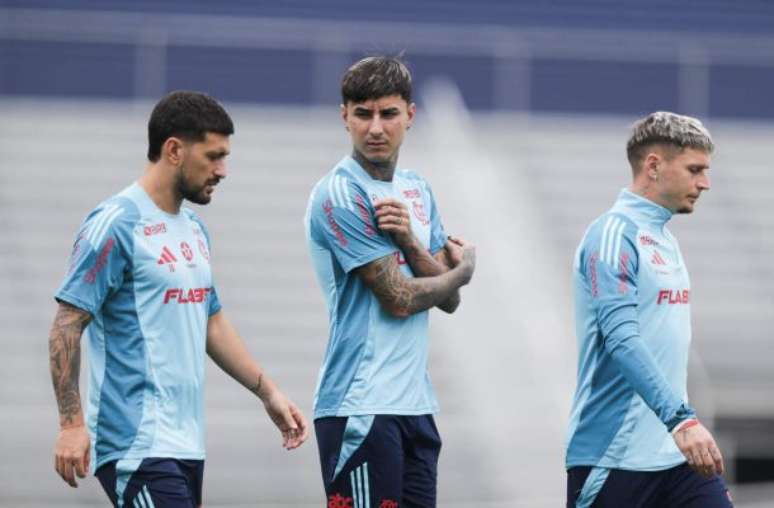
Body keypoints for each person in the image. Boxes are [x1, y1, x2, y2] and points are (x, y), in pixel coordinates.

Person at [48, 91, 308, 507]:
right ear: (173, 150)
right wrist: (70, 424)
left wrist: (268, 392)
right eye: (213, 156)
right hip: (135, 444)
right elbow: (66, 325)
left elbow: (212, 322)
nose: (222, 170)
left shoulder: (194, 228)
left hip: (186, 445)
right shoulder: (116, 224)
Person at [304, 56, 476, 507]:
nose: (376, 128)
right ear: (345, 116)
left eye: (389, 113)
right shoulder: (342, 192)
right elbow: (398, 298)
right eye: (363, 114)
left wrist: (409, 240)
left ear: (410, 115)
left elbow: (448, 300)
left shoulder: (416, 189)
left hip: (415, 406)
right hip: (361, 405)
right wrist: (462, 272)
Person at [565, 112, 732, 507]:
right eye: (695, 170)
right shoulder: (612, 234)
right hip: (614, 456)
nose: (705, 183)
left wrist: (680, 423)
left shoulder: (664, 239)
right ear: (653, 165)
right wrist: (681, 419)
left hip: (675, 454)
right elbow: (622, 339)